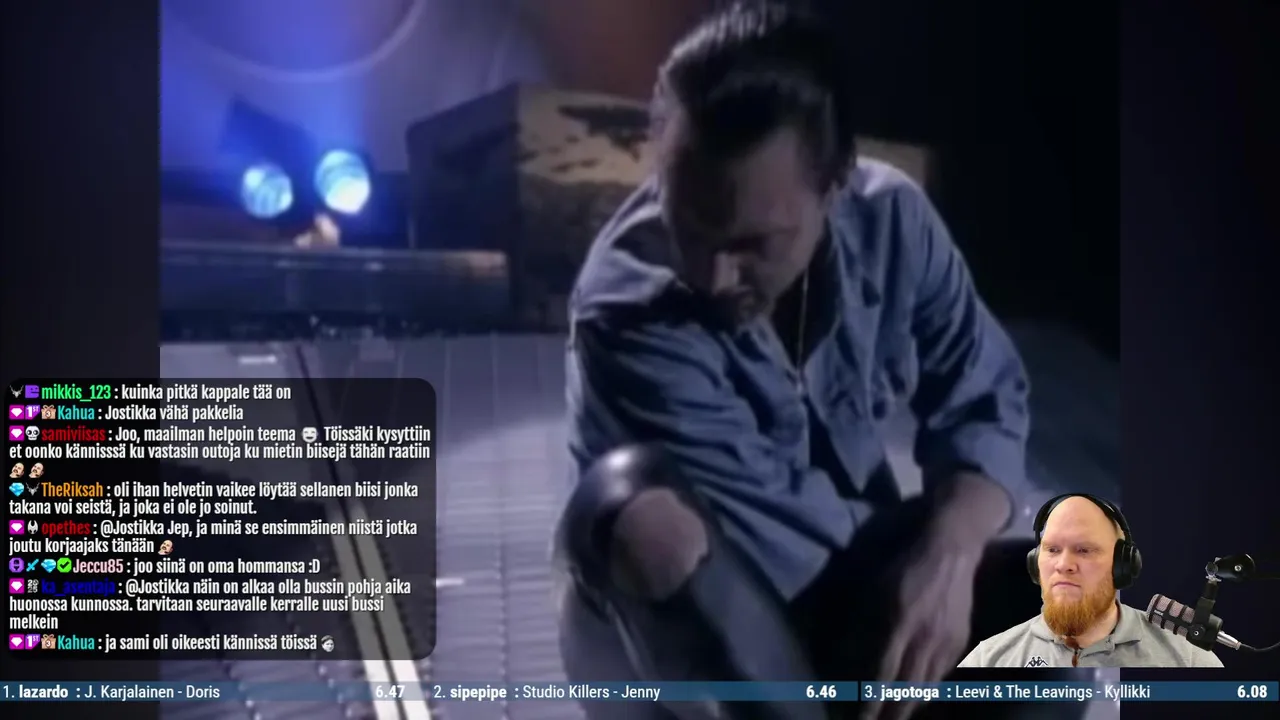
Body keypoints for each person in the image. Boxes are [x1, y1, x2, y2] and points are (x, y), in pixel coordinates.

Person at [555, 3, 1045, 719]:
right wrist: (916, 588)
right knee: (646, 521)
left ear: (836, 184)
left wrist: (951, 552)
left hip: (845, 580)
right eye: (689, 226)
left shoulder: (892, 221)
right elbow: (790, 563)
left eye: (754, 244)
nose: (712, 276)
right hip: (697, 632)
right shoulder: (628, 317)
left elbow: (986, 399)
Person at [959, 494, 1224, 668]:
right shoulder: (988, 660)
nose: (1063, 564)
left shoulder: (1189, 660)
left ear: (1122, 566)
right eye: (1052, 550)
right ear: (1035, 563)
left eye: (1084, 550)